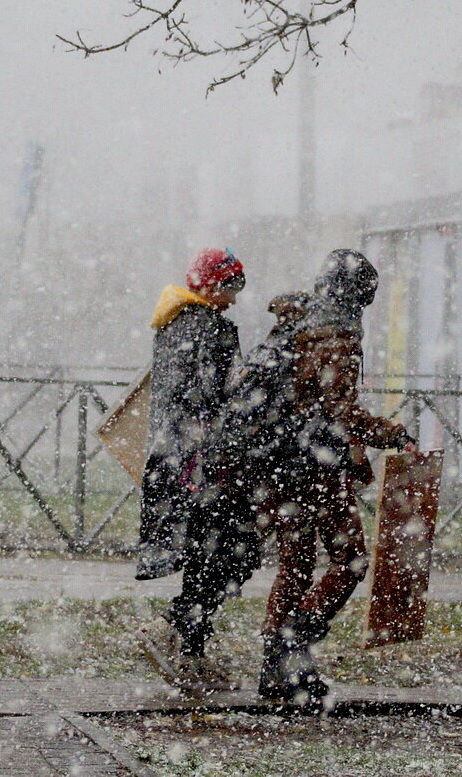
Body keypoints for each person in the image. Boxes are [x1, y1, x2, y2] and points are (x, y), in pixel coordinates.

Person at [257, 249, 416, 705]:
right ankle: (292, 645)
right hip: (317, 468)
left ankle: (276, 664)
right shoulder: (335, 336)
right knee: (350, 561)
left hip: (279, 463)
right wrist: (391, 434)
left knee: (296, 563)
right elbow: (339, 411)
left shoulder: (295, 322)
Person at [133, 247, 256, 695]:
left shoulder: (173, 322)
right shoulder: (209, 327)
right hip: (205, 463)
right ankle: (178, 637)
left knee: (207, 552)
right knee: (228, 552)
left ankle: (187, 649)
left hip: (175, 460)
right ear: (211, 285)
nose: (236, 298)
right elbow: (212, 396)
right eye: (231, 287)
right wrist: (248, 390)